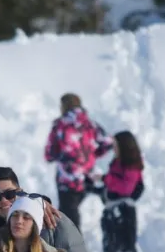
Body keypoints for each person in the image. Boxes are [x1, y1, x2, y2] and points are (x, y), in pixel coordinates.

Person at [44, 93, 113, 229]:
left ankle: (73, 248)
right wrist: (94, 154)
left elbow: (49, 154)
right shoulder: (90, 124)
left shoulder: (60, 125)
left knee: (68, 223)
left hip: (68, 180)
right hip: (88, 177)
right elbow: (108, 142)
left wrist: (63, 156)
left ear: (64, 106)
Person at [100, 131, 145, 252]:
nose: (113, 149)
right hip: (112, 208)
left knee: (124, 243)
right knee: (110, 241)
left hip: (123, 210)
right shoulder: (118, 161)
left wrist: (105, 179)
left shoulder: (131, 164)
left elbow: (126, 188)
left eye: (115, 145)